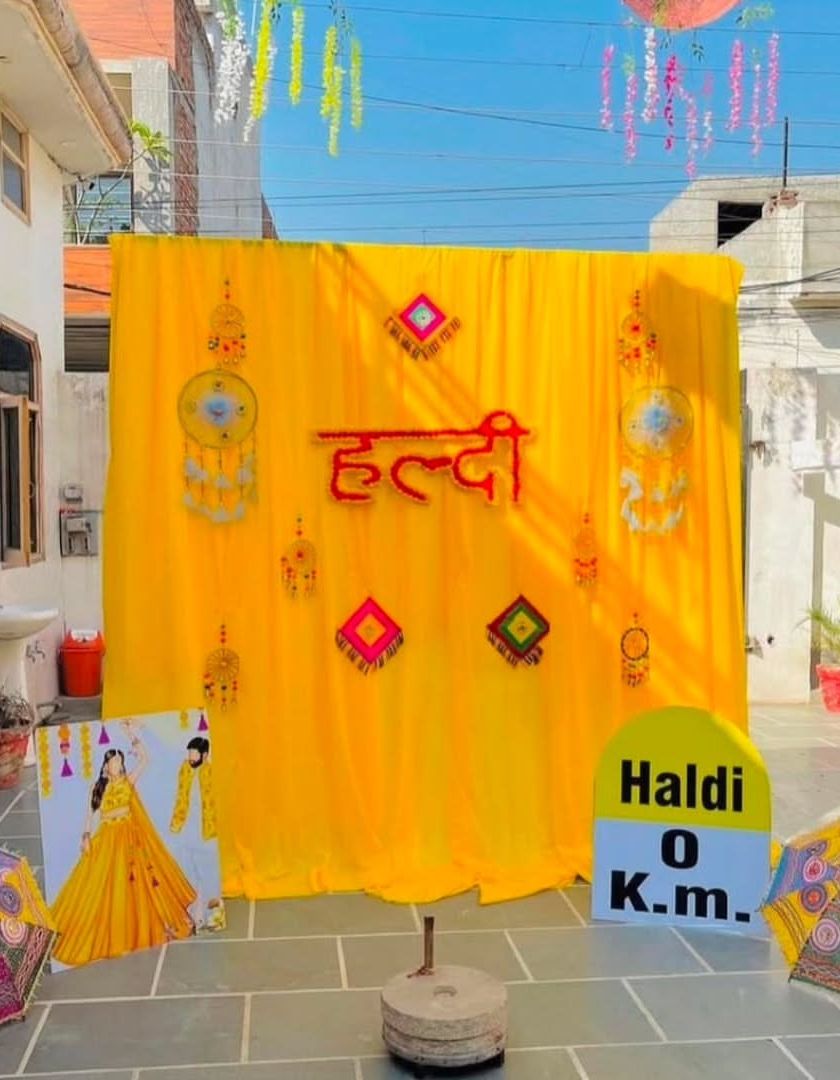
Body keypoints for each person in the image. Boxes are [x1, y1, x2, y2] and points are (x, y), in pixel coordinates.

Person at [51, 722, 197, 966]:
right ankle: (108, 934)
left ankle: (143, 929)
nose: (117, 765)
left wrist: (131, 734)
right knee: (103, 885)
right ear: (106, 766)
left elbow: (146, 759)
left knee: (138, 883)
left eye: (120, 761)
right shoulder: (98, 787)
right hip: (107, 837)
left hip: (130, 837)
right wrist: (85, 836)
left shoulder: (128, 781)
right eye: (114, 762)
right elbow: (90, 813)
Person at [169, 736, 222, 930]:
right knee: (189, 874)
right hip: (187, 828)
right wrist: (176, 824)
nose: (190, 756)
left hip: (207, 830)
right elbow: (180, 796)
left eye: (194, 753)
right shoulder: (185, 770)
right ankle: (194, 916)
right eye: (189, 752)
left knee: (208, 874)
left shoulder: (211, 772)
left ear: (205, 755)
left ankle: (212, 916)